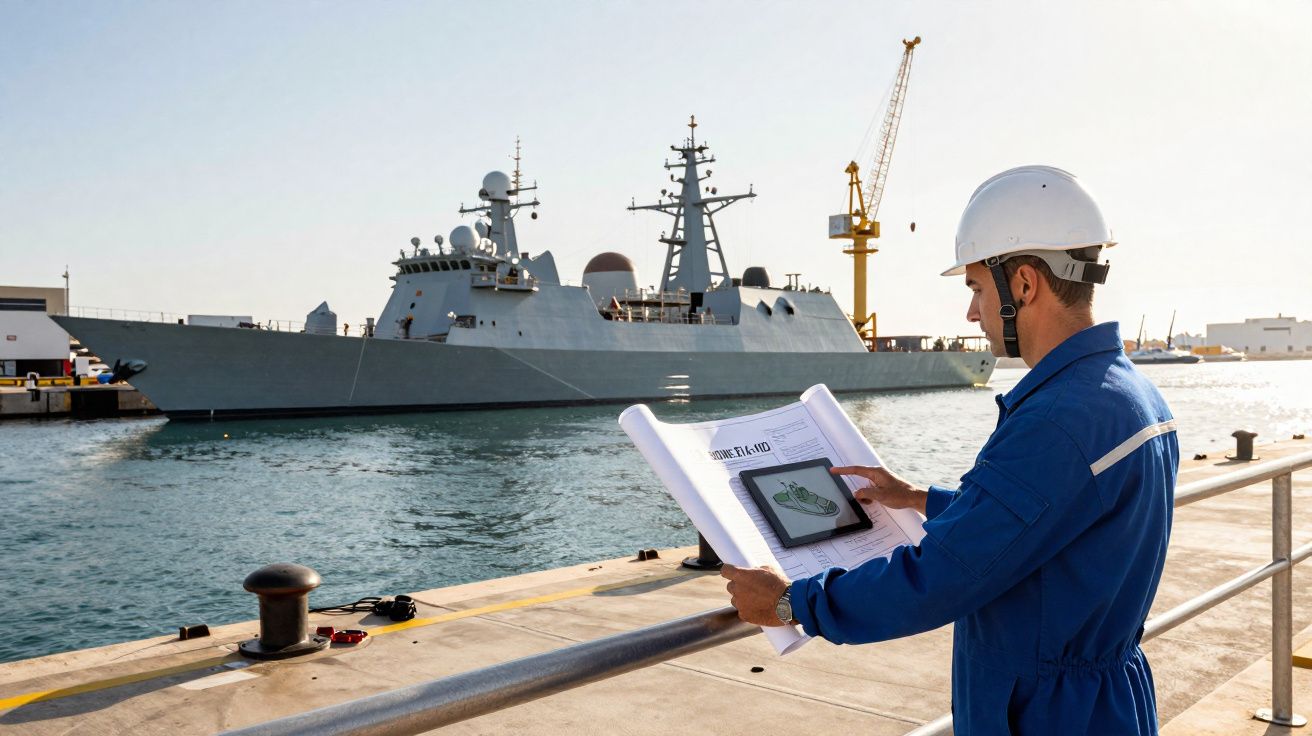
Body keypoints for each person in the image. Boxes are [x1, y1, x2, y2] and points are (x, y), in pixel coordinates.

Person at [722, 166, 1177, 735]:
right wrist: (919, 497)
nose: (971, 313)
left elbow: (940, 577)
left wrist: (794, 604)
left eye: (977, 289)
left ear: (1024, 285)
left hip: (1045, 716)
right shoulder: (1131, 395)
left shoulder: (1060, 420)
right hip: (1105, 699)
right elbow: (1044, 517)